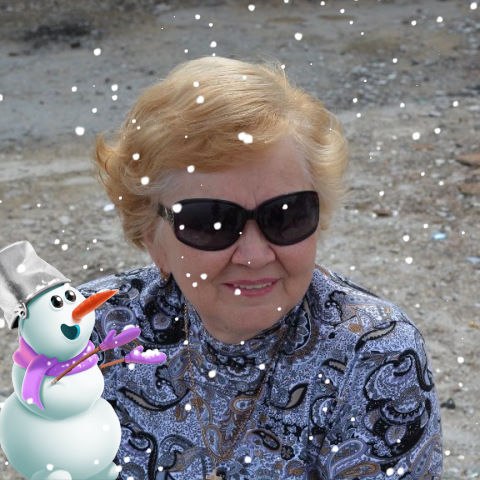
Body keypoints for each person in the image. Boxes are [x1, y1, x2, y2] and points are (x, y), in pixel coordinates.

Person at [80, 56, 443, 480]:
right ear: (151, 238)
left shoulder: (374, 354)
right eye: (211, 222)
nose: (254, 256)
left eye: (285, 215)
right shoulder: (94, 332)